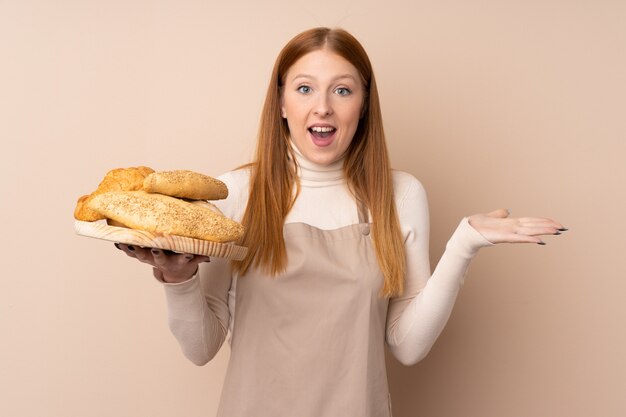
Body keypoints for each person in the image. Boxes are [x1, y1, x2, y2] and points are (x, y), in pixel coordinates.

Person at [115, 27, 565, 417]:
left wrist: (463, 245)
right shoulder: (234, 194)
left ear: (365, 104)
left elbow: (407, 347)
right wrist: (178, 280)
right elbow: (201, 348)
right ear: (281, 103)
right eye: (305, 88)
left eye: (343, 90)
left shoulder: (400, 194)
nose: (324, 107)